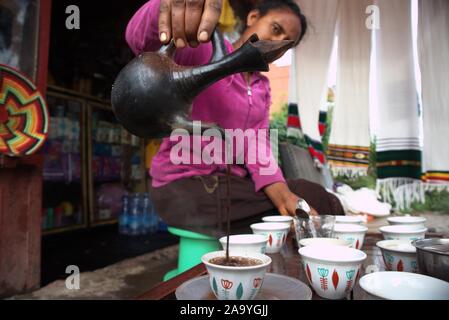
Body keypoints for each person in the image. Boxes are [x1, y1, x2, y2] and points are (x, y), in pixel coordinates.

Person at [126, 0, 344, 238]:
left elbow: (257, 147)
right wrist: (164, 7)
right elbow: (141, 40)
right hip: (184, 185)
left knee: (315, 198)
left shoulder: (262, 87)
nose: (277, 42)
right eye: (275, 28)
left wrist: (283, 193)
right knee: (310, 206)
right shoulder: (204, 50)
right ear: (252, 18)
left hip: (232, 187)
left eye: (286, 43)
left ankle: (317, 267)